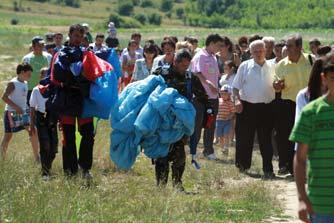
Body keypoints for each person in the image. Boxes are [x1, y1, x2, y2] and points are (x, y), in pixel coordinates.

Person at [152, 49, 208, 191]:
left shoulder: (190, 77)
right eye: (183, 65)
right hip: (162, 121)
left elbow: (202, 95)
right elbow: (148, 91)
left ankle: (177, 184)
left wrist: (208, 110)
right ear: (175, 62)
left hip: (181, 123)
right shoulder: (161, 73)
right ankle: (161, 186)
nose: (185, 68)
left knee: (179, 155)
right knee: (162, 154)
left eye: (187, 65)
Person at [290, 53, 334, 223]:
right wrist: (301, 198)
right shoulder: (310, 113)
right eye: (333, 78)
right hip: (320, 204)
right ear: (324, 78)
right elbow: (300, 158)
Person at [51, 24, 95, 179]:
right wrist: (73, 79)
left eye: (80, 36)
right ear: (69, 35)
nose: (78, 39)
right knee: (68, 137)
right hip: (67, 100)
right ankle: (70, 172)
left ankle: (85, 168)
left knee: (88, 135)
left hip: (84, 100)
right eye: (75, 35)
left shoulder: (87, 53)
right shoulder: (60, 54)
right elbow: (55, 76)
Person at [232, 40, 276, 179]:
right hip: (247, 106)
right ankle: (242, 167)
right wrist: (237, 100)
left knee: (266, 140)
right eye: (255, 51)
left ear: (266, 50)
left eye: (261, 50)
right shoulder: (245, 66)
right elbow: (235, 87)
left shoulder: (273, 66)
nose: (258, 53)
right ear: (250, 53)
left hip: (267, 107)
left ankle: (268, 169)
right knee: (244, 138)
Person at [273, 34, 314, 175]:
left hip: (310, 104)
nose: (286, 48)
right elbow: (276, 85)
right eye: (286, 45)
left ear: (299, 47)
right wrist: (277, 86)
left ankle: (309, 166)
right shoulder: (281, 65)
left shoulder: (311, 60)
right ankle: (290, 167)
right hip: (288, 105)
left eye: (290, 45)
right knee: (288, 136)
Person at [189, 34, 223, 161]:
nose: (220, 48)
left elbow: (216, 74)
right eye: (219, 45)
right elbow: (196, 72)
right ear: (212, 43)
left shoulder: (214, 57)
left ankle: (208, 150)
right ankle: (193, 149)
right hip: (200, 96)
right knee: (197, 124)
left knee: (210, 124)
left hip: (213, 97)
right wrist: (207, 83)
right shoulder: (200, 56)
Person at [0, 63, 39, 161]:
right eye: (29, 74)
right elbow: (4, 97)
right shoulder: (12, 83)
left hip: (23, 113)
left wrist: (28, 109)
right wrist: (16, 107)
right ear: (22, 72)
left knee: (33, 131)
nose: (30, 76)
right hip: (11, 113)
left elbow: (23, 99)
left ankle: (37, 158)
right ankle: (2, 158)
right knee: (8, 136)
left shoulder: (25, 83)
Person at [30, 67, 58, 180]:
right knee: (45, 145)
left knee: (53, 148)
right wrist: (32, 125)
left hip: (52, 118)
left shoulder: (54, 89)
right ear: (41, 76)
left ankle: (48, 168)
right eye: (44, 74)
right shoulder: (36, 90)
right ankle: (45, 172)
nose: (46, 76)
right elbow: (32, 108)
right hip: (41, 118)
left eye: (48, 74)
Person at [22, 36, 52, 103]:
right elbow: (23, 75)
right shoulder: (27, 58)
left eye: (42, 45)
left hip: (45, 89)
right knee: (31, 110)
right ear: (33, 46)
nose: (42, 47)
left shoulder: (49, 57)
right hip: (30, 89)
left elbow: (51, 73)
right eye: (39, 45)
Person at [215, 85, 236, 155]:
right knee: (220, 136)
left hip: (227, 122)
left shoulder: (230, 103)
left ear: (229, 94)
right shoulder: (218, 100)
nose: (223, 95)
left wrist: (229, 117)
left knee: (226, 135)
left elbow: (233, 112)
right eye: (222, 93)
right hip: (219, 121)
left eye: (225, 94)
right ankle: (222, 148)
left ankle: (226, 148)